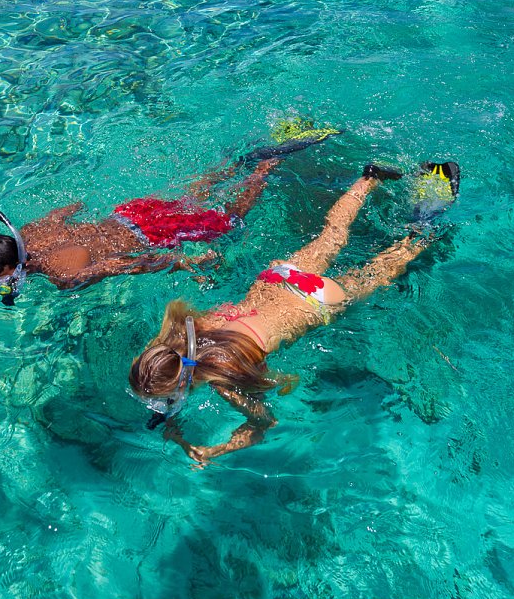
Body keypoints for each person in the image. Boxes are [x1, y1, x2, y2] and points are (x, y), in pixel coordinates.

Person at [129, 160, 460, 467]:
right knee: (332, 235)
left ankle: (427, 227)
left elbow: (263, 423)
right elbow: (176, 369)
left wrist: (214, 450)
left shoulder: (224, 381)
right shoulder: (186, 330)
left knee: (383, 269)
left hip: (317, 302)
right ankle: (369, 179)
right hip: (280, 276)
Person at [0, 123, 340, 299]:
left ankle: (266, 168)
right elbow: (71, 209)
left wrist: (182, 262)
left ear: (14, 267)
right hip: (129, 213)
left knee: (230, 217)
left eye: (3, 279)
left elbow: (129, 264)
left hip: (151, 236)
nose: (5, 284)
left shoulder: (62, 276)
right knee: (197, 193)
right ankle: (247, 155)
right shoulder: (34, 229)